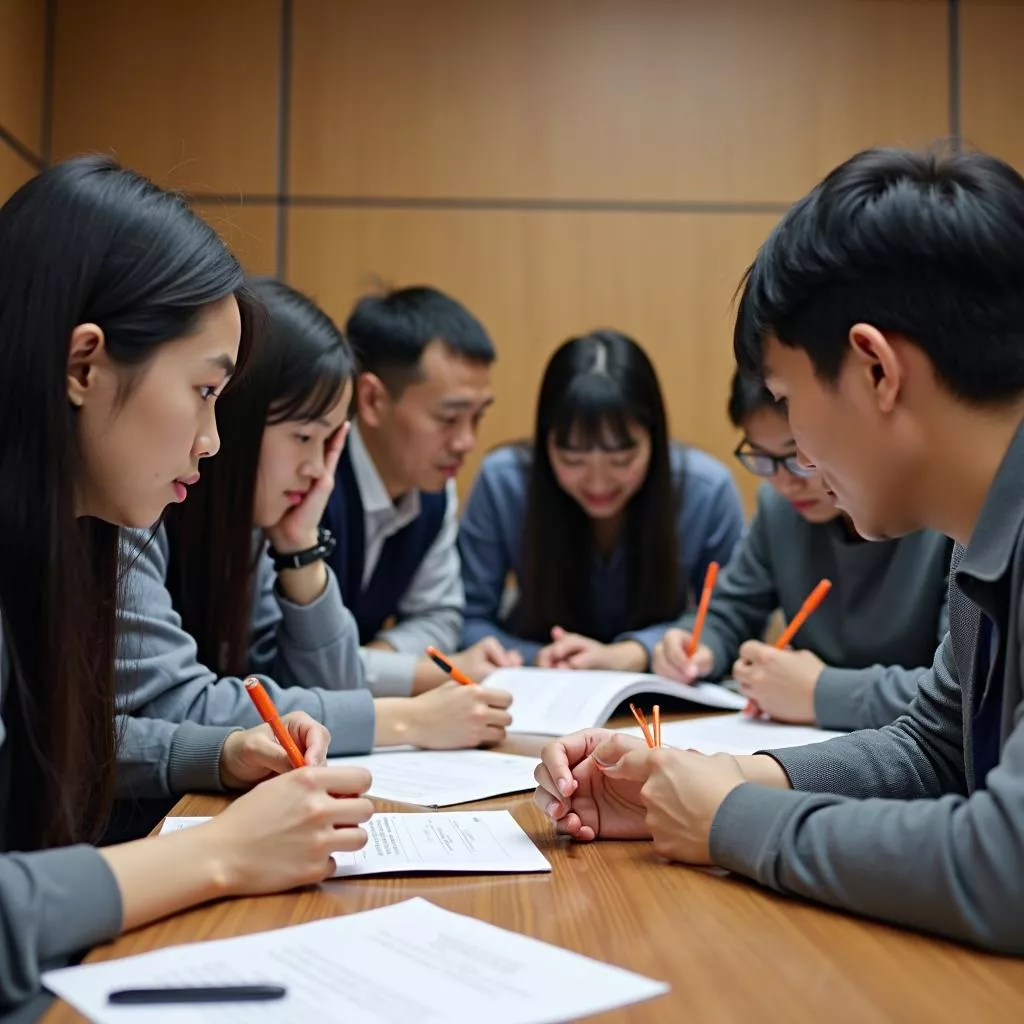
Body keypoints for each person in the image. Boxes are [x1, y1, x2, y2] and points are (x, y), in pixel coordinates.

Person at [534, 146, 1024, 953]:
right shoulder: (983, 535)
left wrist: (729, 819)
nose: (794, 450)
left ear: (875, 369)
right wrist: (701, 780)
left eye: (790, 401)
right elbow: (934, 747)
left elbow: (1006, 869)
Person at [0, 158, 374, 1009]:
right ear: (83, 366)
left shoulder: (68, 536)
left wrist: (214, 753)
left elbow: (39, 741)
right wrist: (221, 854)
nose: (212, 441)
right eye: (204, 391)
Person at [117, 278, 513, 802]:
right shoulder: (132, 512)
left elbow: (330, 690)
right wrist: (402, 720)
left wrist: (300, 548)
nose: (316, 470)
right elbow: (175, 705)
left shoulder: (258, 529)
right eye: (305, 438)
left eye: (330, 442)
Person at [652, 369, 952, 728]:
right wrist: (696, 646)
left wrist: (820, 692)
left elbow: (960, 692)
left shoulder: (946, 519)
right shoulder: (779, 510)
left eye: (798, 457)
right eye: (762, 459)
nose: (785, 482)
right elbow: (731, 610)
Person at [459, 330, 744, 669]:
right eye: (573, 460)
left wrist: (633, 653)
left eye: (621, 460)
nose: (598, 482)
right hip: (536, 690)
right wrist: (534, 657)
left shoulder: (706, 490)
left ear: (654, 438)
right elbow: (467, 617)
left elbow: (727, 620)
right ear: (545, 441)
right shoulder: (503, 482)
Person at [323, 286, 522, 695]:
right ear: (373, 399)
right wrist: (413, 672)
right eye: (448, 418)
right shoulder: (308, 480)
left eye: (477, 417)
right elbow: (281, 657)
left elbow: (440, 616)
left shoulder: (434, 488)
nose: (466, 441)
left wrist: (369, 659)